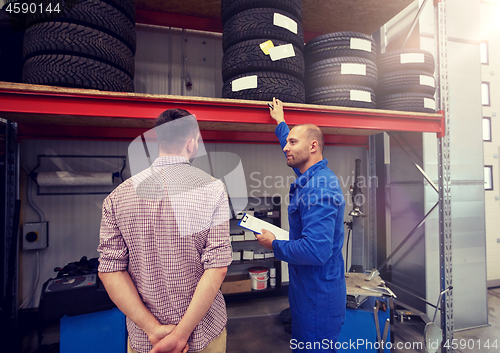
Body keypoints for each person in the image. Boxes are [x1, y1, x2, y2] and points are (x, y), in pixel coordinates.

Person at [97, 109, 232, 353]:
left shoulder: (117, 197)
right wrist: (181, 335)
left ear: (159, 141)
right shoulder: (213, 189)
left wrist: (153, 329)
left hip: (148, 340)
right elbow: (218, 268)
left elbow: (110, 271)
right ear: (192, 144)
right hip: (202, 336)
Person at [255, 98, 346, 352]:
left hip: (318, 299)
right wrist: (281, 122)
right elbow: (294, 149)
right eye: (287, 142)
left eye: (292, 142)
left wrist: (274, 244)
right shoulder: (311, 176)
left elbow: (316, 251)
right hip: (309, 292)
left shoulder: (320, 188)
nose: (286, 147)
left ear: (313, 146)